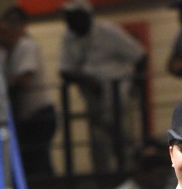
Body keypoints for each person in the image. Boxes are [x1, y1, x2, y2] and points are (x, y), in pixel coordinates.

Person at [58, 0, 147, 173]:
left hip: (118, 96)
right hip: (94, 100)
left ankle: (131, 174)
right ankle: (104, 181)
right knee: (99, 143)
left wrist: (134, 86)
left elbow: (140, 55)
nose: (68, 22)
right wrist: (86, 80)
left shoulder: (108, 31)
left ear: (85, 16)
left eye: (72, 17)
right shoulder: (69, 38)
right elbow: (65, 70)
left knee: (124, 137)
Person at [0, 6, 57, 176]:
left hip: (39, 113)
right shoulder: (3, 54)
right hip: (21, 116)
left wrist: (5, 82)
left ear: (15, 30)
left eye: (3, 32)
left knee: (39, 160)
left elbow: (24, 79)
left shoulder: (26, 45)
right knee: (28, 162)